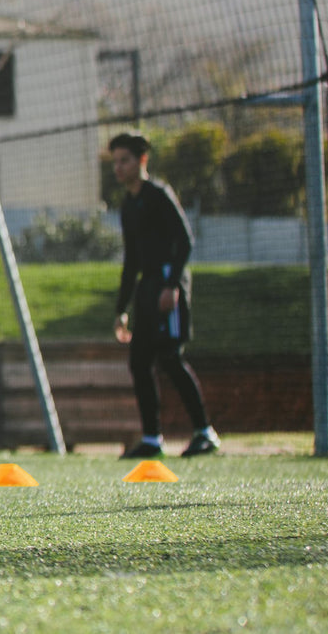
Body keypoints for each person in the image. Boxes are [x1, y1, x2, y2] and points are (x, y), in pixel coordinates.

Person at [109, 131, 221, 459]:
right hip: (146, 289)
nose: (118, 167)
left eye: (125, 160)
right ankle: (152, 439)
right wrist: (121, 308)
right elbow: (131, 260)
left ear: (142, 160)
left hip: (168, 284)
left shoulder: (159, 195)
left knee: (171, 358)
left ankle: (205, 433)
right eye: (115, 162)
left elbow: (185, 241)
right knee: (139, 361)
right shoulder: (128, 206)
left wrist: (172, 286)